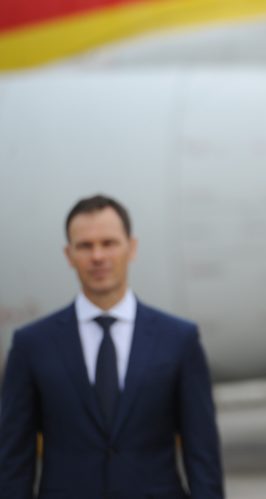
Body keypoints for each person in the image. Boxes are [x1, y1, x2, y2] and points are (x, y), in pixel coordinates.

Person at [0, 194, 224, 499]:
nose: (98, 256)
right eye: (85, 246)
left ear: (131, 247)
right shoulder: (31, 345)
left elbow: (203, 453)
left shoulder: (179, 339)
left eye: (109, 243)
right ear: (68, 254)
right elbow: (14, 459)